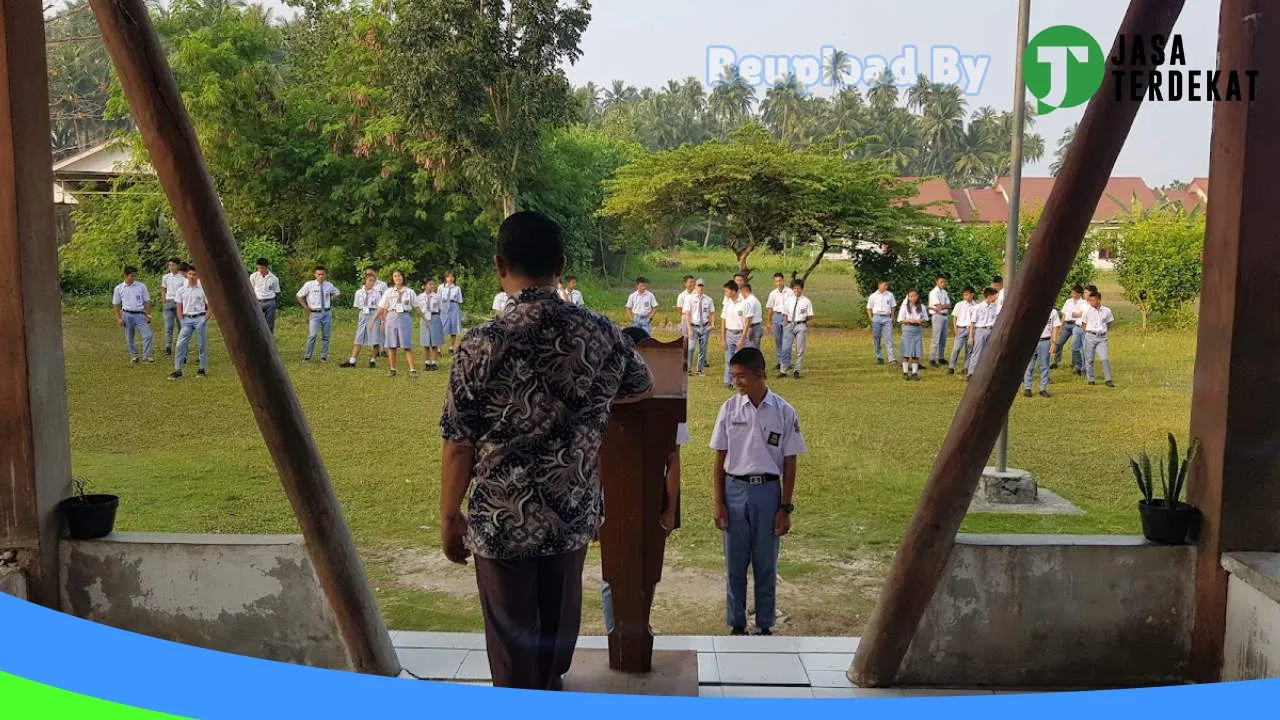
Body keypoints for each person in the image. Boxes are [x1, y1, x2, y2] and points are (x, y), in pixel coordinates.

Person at [439, 211, 654, 691]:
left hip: (500, 523)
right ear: (561, 265)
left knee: (513, 656)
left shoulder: (479, 343)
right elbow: (642, 384)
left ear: (500, 266)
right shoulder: (601, 333)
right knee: (556, 645)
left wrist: (451, 516)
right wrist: (591, 403)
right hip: (570, 514)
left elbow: (458, 443)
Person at [711, 347, 806, 637]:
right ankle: (736, 623)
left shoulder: (784, 411)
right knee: (735, 565)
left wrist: (785, 508)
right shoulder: (729, 409)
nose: (736, 381)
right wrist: (719, 503)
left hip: (767, 492)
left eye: (741, 376)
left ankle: (765, 624)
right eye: (733, 375)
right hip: (735, 491)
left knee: (765, 564)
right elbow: (719, 459)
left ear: (760, 375)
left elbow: (790, 462)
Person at [621, 326, 685, 535]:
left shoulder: (669, 395)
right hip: (619, 491)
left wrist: (670, 510)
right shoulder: (612, 394)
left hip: (653, 493)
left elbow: (673, 458)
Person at [168, 265, 210, 380]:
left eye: (194, 274)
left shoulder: (202, 290)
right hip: (186, 319)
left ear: (198, 276)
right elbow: (179, 306)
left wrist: (205, 318)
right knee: (180, 344)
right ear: (187, 275)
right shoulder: (181, 290)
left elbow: (211, 306)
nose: (192, 276)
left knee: (202, 344)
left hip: (199, 318)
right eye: (190, 274)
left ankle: (202, 369)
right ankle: (178, 369)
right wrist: (181, 319)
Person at [375, 270, 418, 378]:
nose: (397, 278)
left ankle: (412, 370)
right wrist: (379, 321)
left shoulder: (410, 292)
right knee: (392, 345)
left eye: (399, 275)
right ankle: (392, 369)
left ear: (403, 277)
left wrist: (426, 320)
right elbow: (382, 308)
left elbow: (417, 307)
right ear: (392, 278)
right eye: (395, 276)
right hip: (392, 317)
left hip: (404, 317)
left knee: (407, 345)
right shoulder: (388, 292)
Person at [296, 266, 340, 362]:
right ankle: (307, 357)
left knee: (326, 336)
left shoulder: (329, 285)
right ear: (315, 275)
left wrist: (330, 299)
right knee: (312, 335)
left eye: (322, 274)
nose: (321, 276)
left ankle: (323, 356)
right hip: (314, 313)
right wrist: (306, 307)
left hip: (327, 313)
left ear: (325, 275)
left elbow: (337, 293)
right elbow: (299, 296)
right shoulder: (309, 285)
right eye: (319, 274)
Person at [112, 266, 155, 364]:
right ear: (125, 276)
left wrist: (148, 314)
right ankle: (134, 356)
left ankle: (147, 356)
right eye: (131, 276)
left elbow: (147, 301)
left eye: (135, 276)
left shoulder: (141, 286)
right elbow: (116, 304)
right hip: (127, 314)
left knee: (148, 335)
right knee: (129, 337)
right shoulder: (119, 288)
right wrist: (118, 318)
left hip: (140, 314)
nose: (133, 278)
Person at [340, 273, 383, 369]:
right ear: (365, 281)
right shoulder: (359, 292)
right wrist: (361, 316)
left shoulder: (377, 293)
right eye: (369, 280)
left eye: (373, 281)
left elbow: (380, 308)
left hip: (373, 314)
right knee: (358, 338)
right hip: (363, 314)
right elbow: (357, 306)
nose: (371, 283)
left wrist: (379, 320)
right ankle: (352, 360)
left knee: (374, 339)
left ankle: (373, 360)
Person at [779, 279, 814, 380]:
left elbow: (810, 315)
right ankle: (783, 370)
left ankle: (797, 370)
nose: (796, 290)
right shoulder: (789, 299)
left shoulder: (806, 301)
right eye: (794, 288)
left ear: (802, 289)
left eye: (798, 288)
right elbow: (784, 312)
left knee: (800, 349)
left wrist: (802, 321)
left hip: (800, 325)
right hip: (789, 324)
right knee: (785, 348)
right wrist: (787, 322)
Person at [1024, 307, 1062, 398]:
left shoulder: (1053, 312)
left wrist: (1053, 342)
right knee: (1029, 365)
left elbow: (1055, 328)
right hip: (1031, 341)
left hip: (1045, 341)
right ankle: (1028, 388)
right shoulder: (1030, 309)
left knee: (1044, 366)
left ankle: (1043, 389)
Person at [1081, 290, 1116, 387]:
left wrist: (1103, 331)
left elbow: (1109, 323)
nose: (1091, 302)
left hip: (1102, 338)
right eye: (1090, 300)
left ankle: (1108, 379)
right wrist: (1088, 333)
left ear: (1099, 300)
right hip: (1090, 336)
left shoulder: (1107, 311)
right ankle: (1091, 379)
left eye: (1093, 300)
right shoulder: (1087, 310)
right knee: (1089, 359)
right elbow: (1083, 324)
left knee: (1104, 358)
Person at [682, 279, 715, 376]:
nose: (700, 288)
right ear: (695, 287)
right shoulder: (690, 299)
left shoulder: (708, 300)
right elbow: (687, 314)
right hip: (693, 326)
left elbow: (712, 312)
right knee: (691, 348)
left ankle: (699, 370)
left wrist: (712, 324)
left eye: (702, 286)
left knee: (703, 349)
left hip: (704, 327)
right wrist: (689, 329)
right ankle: (688, 369)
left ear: (704, 287)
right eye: (698, 286)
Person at [966, 287, 1000, 378]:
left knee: (989, 352)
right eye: (994, 296)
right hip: (980, 331)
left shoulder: (994, 307)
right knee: (977, 352)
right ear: (989, 297)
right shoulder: (977, 308)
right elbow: (972, 323)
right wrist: (971, 336)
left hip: (991, 330)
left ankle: (985, 372)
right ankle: (971, 373)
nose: (996, 298)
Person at [898, 288, 928, 381]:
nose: (913, 298)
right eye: (910, 296)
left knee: (916, 353)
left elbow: (926, 318)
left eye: (914, 296)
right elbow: (900, 320)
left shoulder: (922, 307)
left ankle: (915, 373)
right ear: (908, 297)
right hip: (907, 330)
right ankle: (905, 372)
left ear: (917, 296)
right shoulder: (904, 307)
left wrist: (920, 320)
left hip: (917, 330)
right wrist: (909, 320)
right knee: (906, 352)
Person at [720, 280, 745, 390]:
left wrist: (743, 338)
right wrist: (723, 338)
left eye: (727, 291)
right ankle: (729, 381)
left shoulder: (744, 302)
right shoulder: (727, 303)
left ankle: (740, 380)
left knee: (740, 360)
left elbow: (747, 322)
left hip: (740, 334)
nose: (725, 294)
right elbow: (723, 321)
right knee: (728, 359)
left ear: (734, 291)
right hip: (729, 334)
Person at [160, 257, 187, 356]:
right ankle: (168, 347)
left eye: (173, 265)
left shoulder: (183, 278)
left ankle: (181, 347)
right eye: (169, 265)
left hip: (179, 303)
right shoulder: (166, 277)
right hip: (169, 302)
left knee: (181, 326)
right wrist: (164, 301)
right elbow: (163, 289)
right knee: (168, 326)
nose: (171, 267)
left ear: (178, 266)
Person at [1058, 285, 1088, 374]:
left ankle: (1077, 365)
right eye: (1072, 292)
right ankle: (1057, 361)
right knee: (1060, 343)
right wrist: (1061, 326)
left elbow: (1079, 315)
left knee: (1077, 346)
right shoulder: (1068, 301)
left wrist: (1077, 315)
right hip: (1067, 324)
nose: (1072, 294)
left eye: (1074, 293)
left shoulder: (1083, 303)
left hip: (1077, 325)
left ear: (1079, 294)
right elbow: (1065, 314)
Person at [866, 279, 897, 365]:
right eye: (884, 285)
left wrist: (892, 317)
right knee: (877, 338)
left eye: (887, 285)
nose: (886, 287)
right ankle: (879, 357)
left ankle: (892, 358)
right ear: (879, 285)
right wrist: (871, 318)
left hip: (887, 318)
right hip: (877, 317)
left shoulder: (890, 295)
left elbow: (893, 306)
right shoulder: (873, 296)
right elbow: (869, 308)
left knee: (889, 338)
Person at [949, 287, 977, 375]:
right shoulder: (959, 304)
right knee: (956, 349)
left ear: (972, 294)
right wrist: (955, 328)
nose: (965, 297)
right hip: (961, 329)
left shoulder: (976, 306)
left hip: (970, 329)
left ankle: (966, 367)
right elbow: (954, 317)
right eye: (964, 295)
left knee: (969, 350)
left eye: (967, 295)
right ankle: (951, 366)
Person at [419, 279, 444, 371]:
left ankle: (434, 362)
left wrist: (436, 317)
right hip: (424, 319)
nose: (432, 286)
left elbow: (441, 308)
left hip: (434, 318)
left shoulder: (437, 296)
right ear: (425, 286)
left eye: (433, 284)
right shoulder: (420, 297)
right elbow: (419, 310)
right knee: (426, 343)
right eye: (430, 284)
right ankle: (427, 362)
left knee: (434, 342)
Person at [250, 258, 281, 334]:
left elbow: (276, 291)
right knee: (256, 322)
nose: (260, 270)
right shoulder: (253, 276)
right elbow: (251, 288)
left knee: (269, 323)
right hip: (258, 301)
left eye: (262, 268)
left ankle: (269, 340)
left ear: (266, 267)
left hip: (270, 302)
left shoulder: (274, 279)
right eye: (258, 268)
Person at [766, 273, 789, 371]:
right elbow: (770, 308)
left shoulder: (790, 292)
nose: (778, 283)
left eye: (780, 280)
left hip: (786, 317)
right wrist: (768, 321)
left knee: (786, 341)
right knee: (778, 340)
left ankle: (786, 362)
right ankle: (780, 362)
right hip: (777, 316)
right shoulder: (773, 293)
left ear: (783, 280)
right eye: (776, 281)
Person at [927, 274, 952, 368]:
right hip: (937, 316)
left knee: (943, 338)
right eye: (941, 281)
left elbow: (949, 305)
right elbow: (938, 307)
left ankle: (941, 357)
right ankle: (932, 358)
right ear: (937, 282)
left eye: (944, 282)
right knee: (936, 338)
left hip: (945, 315)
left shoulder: (944, 292)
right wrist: (943, 306)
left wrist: (943, 306)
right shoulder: (933, 292)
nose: (943, 283)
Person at [440, 271, 464, 355]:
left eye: (452, 277)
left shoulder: (457, 288)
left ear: (454, 278)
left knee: (453, 328)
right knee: (442, 327)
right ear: (445, 278)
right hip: (443, 307)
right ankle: (438, 348)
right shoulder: (441, 287)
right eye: (448, 277)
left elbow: (459, 300)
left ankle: (451, 347)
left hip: (454, 307)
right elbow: (438, 298)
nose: (450, 278)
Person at [739, 283, 764, 350]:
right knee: (754, 349)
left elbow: (749, 319)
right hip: (757, 326)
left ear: (744, 291)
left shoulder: (750, 301)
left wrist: (744, 334)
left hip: (753, 328)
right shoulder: (754, 299)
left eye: (741, 292)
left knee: (753, 350)